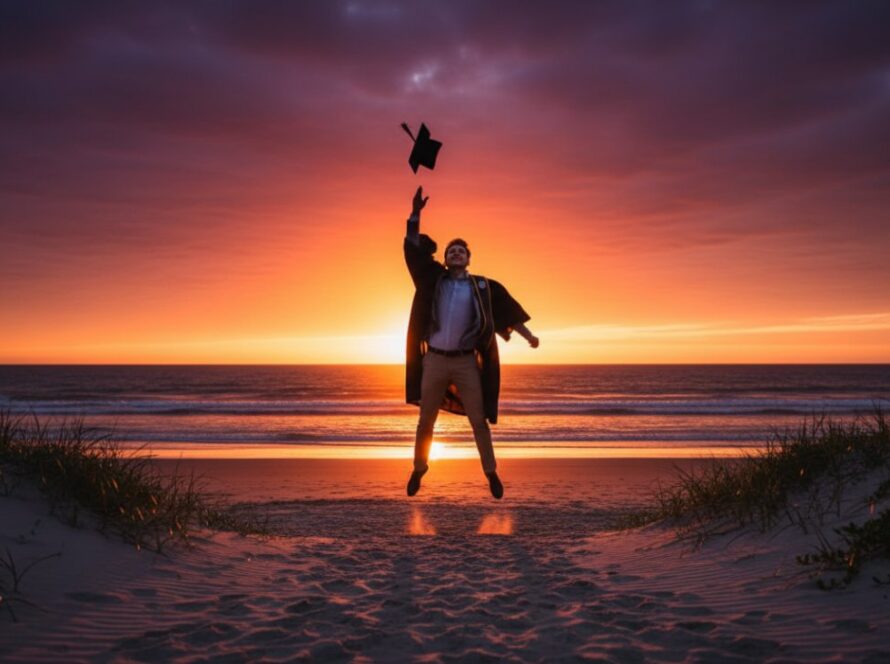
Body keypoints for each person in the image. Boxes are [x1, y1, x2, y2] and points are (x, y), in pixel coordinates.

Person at [403, 186, 539, 499]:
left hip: (466, 362)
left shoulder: (483, 287)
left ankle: (491, 473)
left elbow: (507, 313)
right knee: (426, 420)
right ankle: (420, 468)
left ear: (468, 258)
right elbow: (412, 249)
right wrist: (416, 214)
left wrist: (528, 336)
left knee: (479, 420)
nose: (455, 254)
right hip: (434, 360)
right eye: (451, 251)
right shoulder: (432, 279)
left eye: (461, 251)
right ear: (445, 258)